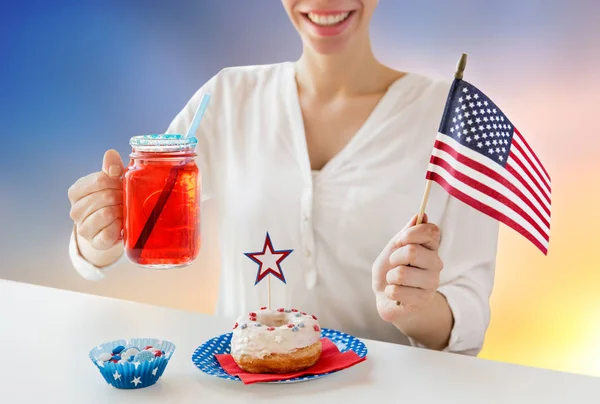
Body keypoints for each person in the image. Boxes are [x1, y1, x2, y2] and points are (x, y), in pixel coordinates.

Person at [67, 0, 499, 356]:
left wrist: (415, 309)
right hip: (242, 385)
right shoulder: (230, 98)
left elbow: (469, 318)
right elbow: (145, 215)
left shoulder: (447, 119)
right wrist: (100, 233)